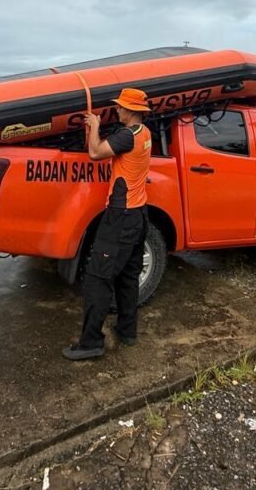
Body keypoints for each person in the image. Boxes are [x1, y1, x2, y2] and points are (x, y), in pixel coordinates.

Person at [62, 88, 153, 361]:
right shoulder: (145, 133)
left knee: (97, 278)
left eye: (121, 107)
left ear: (131, 110)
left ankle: (91, 342)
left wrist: (95, 127)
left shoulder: (126, 136)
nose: (117, 110)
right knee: (128, 276)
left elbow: (94, 153)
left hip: (120, 217)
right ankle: (127, 331)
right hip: (139, 214)